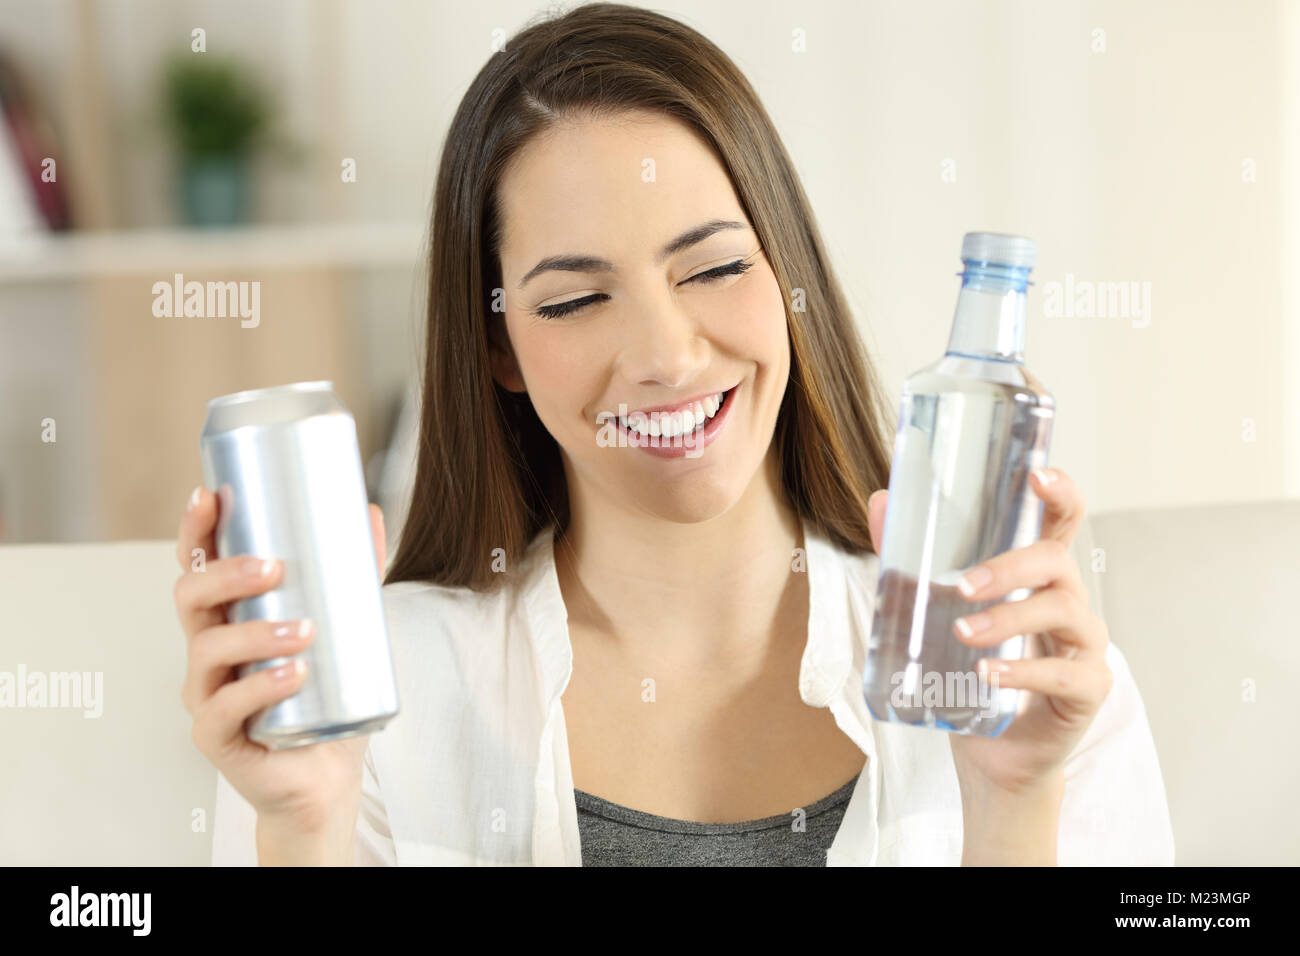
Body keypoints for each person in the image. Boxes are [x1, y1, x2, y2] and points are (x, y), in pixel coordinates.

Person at [174, 1, 1174, 866]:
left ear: (789, 282)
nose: (664, 353)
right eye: (572, 299)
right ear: (499, 349)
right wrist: (302, 829)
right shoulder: (365, 696)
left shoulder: (1020, 676)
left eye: (711, 269)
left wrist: (1011, 801)